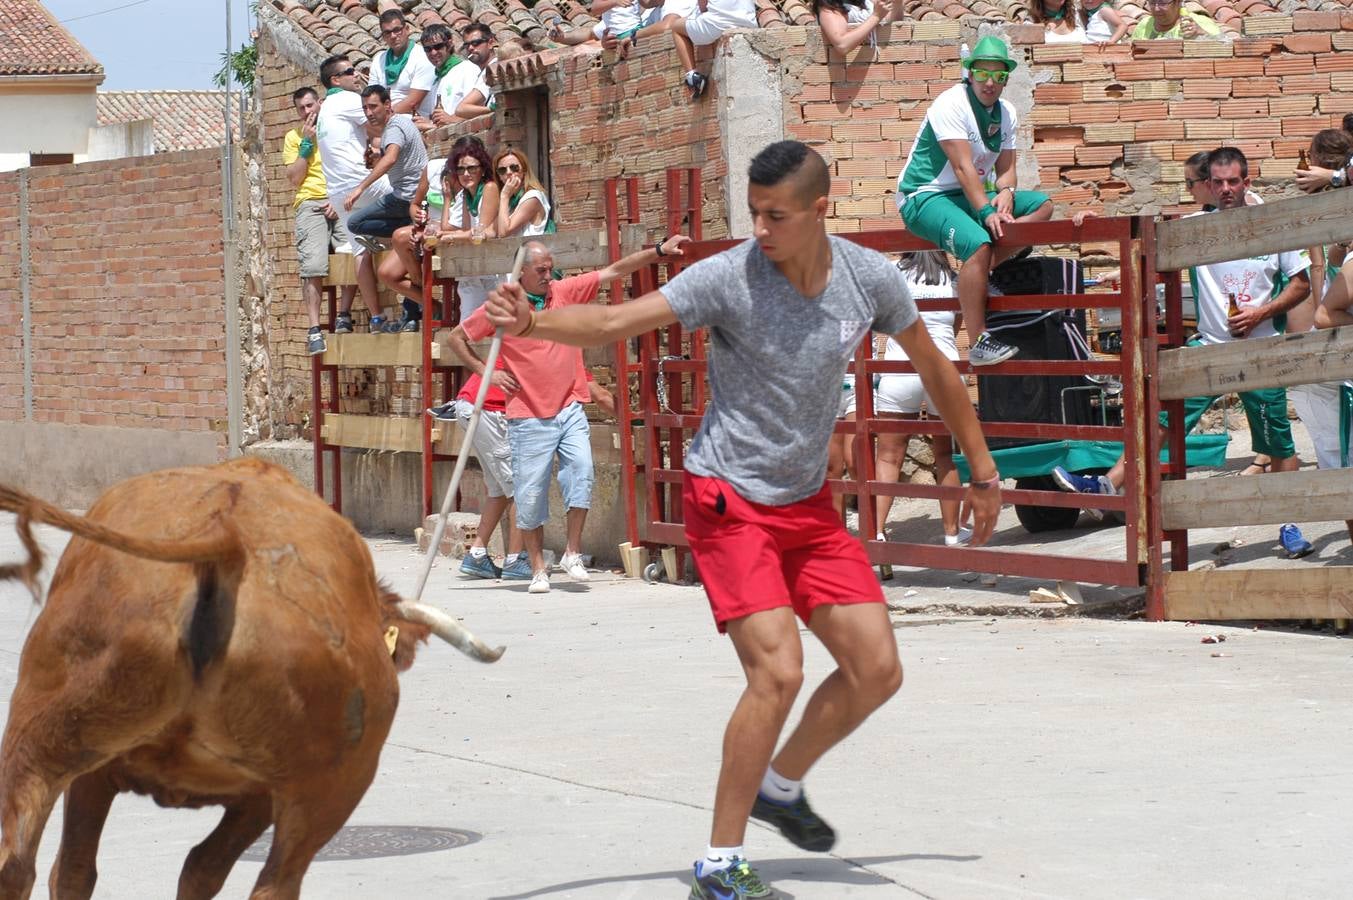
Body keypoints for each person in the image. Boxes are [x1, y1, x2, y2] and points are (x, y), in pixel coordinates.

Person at [481, 141, 1001, 899]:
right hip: (728, 502)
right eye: (752, 213)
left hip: (806, 508)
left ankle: (779, 788)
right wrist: (532, 322)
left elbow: (933, 367)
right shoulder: (730, 277)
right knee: (778, 672)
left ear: (820, 211)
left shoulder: (867, 279)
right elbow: (614, 320)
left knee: (877, 669)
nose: (759, 228)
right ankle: (719, 866)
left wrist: (982, 473)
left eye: (775, 215)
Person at [1053, 148, 1311, 517]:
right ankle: (1109, 484)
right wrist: (1091, 222)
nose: (1225, 189)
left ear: (1246, 183)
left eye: (1233, 181)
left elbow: (1300, 286)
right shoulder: (1191, 229)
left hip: (1260, 350)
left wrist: (1261, 312)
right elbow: (1146, 253)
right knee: (1161, 417)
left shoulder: (1271, 226)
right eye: (1217, 182)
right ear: (1208, 185)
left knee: (1279, 444)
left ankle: (1293, 524)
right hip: (1208, 348)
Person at [450, 235, 692, 594]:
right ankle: (535, 570)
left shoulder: (563, 292)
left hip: (569, 409)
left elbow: (612, 270)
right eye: (542, 270)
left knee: (582, 472)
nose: (549, 275)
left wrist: (657, 250)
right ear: (522, 273)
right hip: (528, 416)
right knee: (529, 497)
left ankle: (572, 553)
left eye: (551, 268)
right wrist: (488, 371)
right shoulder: (503, 306)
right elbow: (457, 337)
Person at [897, 36, 1053, 366]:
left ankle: (973, 275)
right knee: (979, 244)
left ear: (1007, 79)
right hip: (924, 195)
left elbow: (1006, 170)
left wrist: (1007, 193)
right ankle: (979, 341)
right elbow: (962, 167)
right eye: (982, 73)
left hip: (969, 196)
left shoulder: (1007, 112)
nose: (990, 82)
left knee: (1042, 206)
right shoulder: (951, 103)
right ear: (970, 73)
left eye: (999, 76)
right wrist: (985, 209)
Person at [873, 251, 972, 546]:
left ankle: (876, 532)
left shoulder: (892, 272)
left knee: (889, 455)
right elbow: (954, 328)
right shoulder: (956, 279)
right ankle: (952, 533)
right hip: (944, 368)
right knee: (946, 455)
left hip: (901, 367)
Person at [427, 370, 531, 580]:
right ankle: (515, 560)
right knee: (521, 489)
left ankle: (477, 555)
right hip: (488, 409)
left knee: (499, 488)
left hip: (475, 405)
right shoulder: (542, 342)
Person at [315, 54, 392, 334]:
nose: (357, 75)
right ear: (336, 80)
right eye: (350, 71)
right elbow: (382, 117)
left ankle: (376, 318)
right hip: (363, 184)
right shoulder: (347, 100)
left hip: (338, 192)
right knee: (413, 209)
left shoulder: (324, 109)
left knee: (361, 251)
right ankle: (416, 303)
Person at [284, 86, 354, 357]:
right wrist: (305, 146)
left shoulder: (335, 129)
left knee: (352, 253)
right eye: (301, 108)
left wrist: (339, 200)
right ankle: (314, 328)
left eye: (310, 105)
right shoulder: (293, 137)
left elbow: (350, 165)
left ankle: (344, 314)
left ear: (320, 104)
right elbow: (294, 179)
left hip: (340, 197)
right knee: (313, 264)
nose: (307, 112)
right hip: (310, 202)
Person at [375, 154, 448, 323]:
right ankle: (434, 306)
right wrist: (416, 214)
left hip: (446, 234)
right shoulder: (432, 168)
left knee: (400, 236)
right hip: (427, 230)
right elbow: (415, 203)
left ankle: (419, 282)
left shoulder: (468, 178)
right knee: (386, 274)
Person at [636, 0, 757, 99]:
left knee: (676, 27)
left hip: (718, 24)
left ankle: (692, 77)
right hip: (749, 21)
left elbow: (703, 6)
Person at [439, 136, 503, 321]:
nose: (465, 173)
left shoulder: (489, 188)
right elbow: (466, 230)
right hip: (476, 266)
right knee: (468, 321)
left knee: (489, 323)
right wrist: (444, 233)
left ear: (482, 170)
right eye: (460, 169)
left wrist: (448, 236)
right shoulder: (467, 194)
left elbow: (480, 232)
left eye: (471, 168)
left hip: (493, 267)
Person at [368, 8, 434, 116]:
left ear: (407, 29)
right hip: (384, 118)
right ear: (383, 36)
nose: (393, 36)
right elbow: (372, 96)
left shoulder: (422, 56)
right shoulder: (378, 60)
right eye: (387, 33)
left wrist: (386, 116)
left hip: (413, 118)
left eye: (397, 30)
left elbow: (413, 102)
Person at [493, 147, 552, 237]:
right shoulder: (511, 200)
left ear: (524, 170)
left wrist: (504, 196)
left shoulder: (532, 196)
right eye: (502, 170)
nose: (508, 172)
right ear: (499, 177)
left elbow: (504, 232)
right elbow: (494, 229)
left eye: (514, 167)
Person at [413, 23, 461, 131]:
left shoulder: (466, 69)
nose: (433, 52)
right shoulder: (435, 81)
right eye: (428, 49)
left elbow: (477, 112)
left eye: (438, 46)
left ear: (449, 44)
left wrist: (451, 119)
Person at [812, 0, 894, 57]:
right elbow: (842, 45)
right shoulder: (828, 6)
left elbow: (891, 20)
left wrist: (898, 3)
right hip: (848, 75)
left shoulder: (864, 2)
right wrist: (876, 17)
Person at [453, 24, 499, 120]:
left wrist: (493, 109)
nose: (470, 48)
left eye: (476, 43)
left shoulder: (492, 69)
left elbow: (461, 109)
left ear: (490, 43)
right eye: (467, 45)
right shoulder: (484, 71)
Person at [1130, 0, 1220, 39]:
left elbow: (1228, 46)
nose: (1156, 9)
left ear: (1178, 2)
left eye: (1163, 3)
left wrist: (1202, 33)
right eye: (1152, 2)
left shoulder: (1199, 22)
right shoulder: (1144, 24)